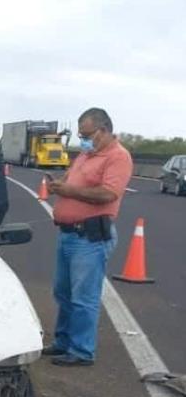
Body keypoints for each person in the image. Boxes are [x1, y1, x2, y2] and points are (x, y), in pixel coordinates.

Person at [44, 107, 133, 366]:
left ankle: (81, 350)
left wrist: (68, 191)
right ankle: (63, 341)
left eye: (87, 134)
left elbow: (108, 194)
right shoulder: (85, 155)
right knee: (63, 292)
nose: (82, 139)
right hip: (69, 234)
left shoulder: (118, 157)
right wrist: (59, 186)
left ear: (103, 131)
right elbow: (74, 183)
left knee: (84, 297)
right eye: (81, 134)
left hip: (90, 238)